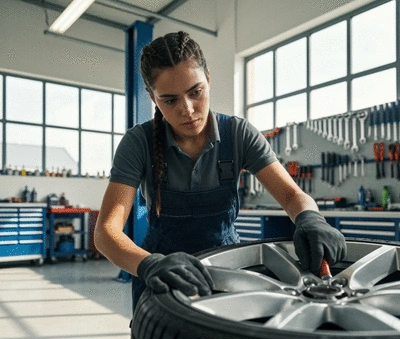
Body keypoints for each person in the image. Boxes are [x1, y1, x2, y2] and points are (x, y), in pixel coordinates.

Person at [94, 31, 347, 313]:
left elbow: (291, 195)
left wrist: (310, 218)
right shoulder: (138, 143)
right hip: (163, 277)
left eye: (195, 92)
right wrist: (148, 264)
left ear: (209, 79)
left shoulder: (238, 134)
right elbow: (106, 231)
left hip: (229, 271)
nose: (187, 110)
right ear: (151, 96)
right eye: (170, 100)